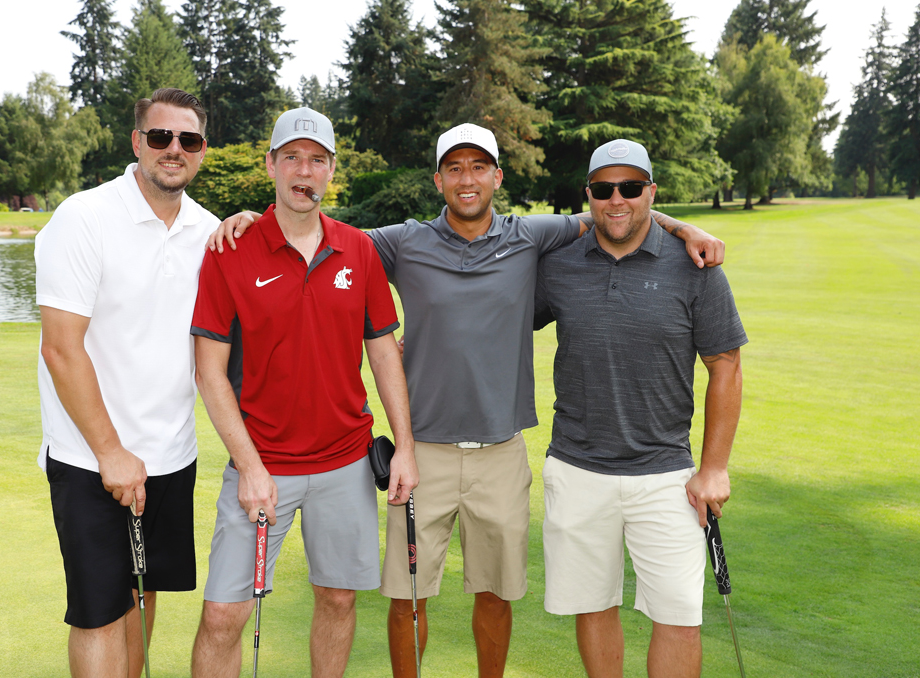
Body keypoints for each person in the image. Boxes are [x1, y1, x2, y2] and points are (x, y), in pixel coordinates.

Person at [209, 123, 725, 678]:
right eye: (454, 168)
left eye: (479, 167)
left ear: (497, 176)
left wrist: (681, 224)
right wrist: (251, 220)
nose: (467, 179)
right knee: (408, 596)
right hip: (421, 451)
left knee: (495, 594)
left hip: (501, 451)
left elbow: (616, 213)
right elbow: (320, 233)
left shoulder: (531, 235)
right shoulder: (401, 241)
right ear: (438, 179)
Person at [188, 107, 417, 678]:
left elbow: (384, 350)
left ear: (331, 170)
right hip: (261, 466)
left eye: (317, 160)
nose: (304, 171)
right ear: (271, 164)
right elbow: (208, 371)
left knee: (338, 599)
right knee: (223, 614)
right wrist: (249, 466)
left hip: (346, 463)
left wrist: (406, 447)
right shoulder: (231, 249)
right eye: (292, 156)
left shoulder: (357, 249)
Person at [534, 139, 747, 678]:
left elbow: (725, 364)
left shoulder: (695, 265)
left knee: (678, 616)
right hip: (577, 468)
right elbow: (487, 295)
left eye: (631, 187)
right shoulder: (556, 263)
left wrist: (715, 467)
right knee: (594, 605)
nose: (617, 200)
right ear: (589, 196)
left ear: (651, 191)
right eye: (605, 189)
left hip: (668, 476)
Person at [35, 88, 218, 678]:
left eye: (187, 140)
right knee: (99, 613)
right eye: (161, 137)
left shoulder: (209, 231)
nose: (173, 149)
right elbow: (62, 349)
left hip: (170, 455)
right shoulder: (84, 217)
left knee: (144, 595)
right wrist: (110, 452)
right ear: (138, 142)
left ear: (201, 151)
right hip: (91, 458)